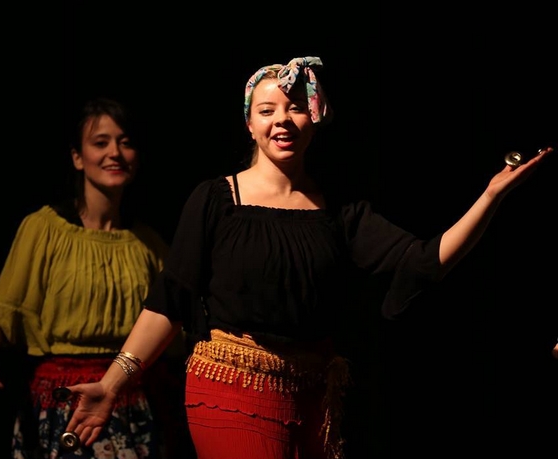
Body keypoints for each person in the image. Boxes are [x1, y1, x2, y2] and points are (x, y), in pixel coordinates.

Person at [60, 57, 553, 459]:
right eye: (267, 109)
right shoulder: (215, 199)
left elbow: (424, 261)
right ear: (250, 124)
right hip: (231, 390)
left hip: (312, 402)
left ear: (313, 121)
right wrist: (113, 384)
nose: (282, 119)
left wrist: (490, 197)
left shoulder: (339, 211)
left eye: (295, 107)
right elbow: (171, 299)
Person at [0, 97, 192, 459]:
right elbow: (4, 307)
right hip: (63, 405)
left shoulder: (150, 245)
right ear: (78, 157)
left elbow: (177, 327)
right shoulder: (44, 228)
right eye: (101, 142)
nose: (115, 153)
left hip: (132, 406)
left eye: (125, 142)